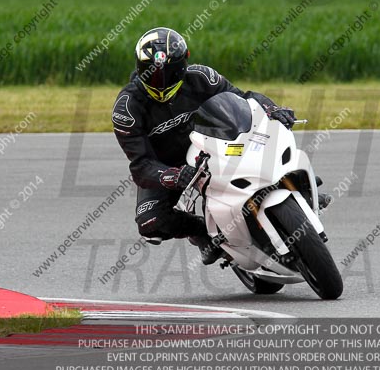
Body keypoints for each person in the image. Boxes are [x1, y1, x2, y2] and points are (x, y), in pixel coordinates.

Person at [112, 27, 330, 265]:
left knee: (268, 135)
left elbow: (243, 99)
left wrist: (272, 109)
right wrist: (171, 176)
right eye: (153, 75)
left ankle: (298, 189)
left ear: (183, 66)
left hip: (214, 143)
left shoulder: (201, 77)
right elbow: (140, 165)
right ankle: (203, 232)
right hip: (169, 164)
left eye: (170, 73)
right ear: (140, 68)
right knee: (149, 221)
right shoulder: (127, 109)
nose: (162, 83)